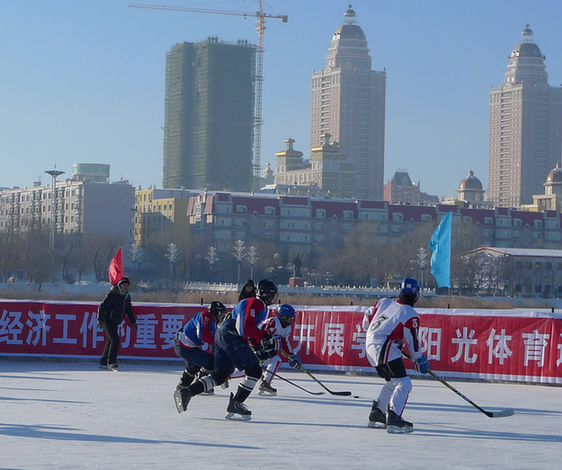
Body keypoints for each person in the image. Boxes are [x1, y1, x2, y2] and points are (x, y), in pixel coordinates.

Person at [174, 279, 280, 420]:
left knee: (220, 376)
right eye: (272, 294)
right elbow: (245, 328)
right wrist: (263, 337)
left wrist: (259, 345)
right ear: (265, 294)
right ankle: (236, 403)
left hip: (222, 335)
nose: (273, 298)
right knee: (254, 371)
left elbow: (247, 329)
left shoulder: (256, 304)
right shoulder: (256, 303)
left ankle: (188, 391)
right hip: (230, 335)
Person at [364, 277, 429, 433]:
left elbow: (367, 319)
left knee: (394, 382)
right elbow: (412, 342)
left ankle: (377, 412)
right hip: (384, 349)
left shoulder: (384, 302)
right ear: (416, 295)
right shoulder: (410, 313)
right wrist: (418, 358)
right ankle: (393, 416)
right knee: (405, 383)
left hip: (370, 346)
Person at [173, 301, 227, 394]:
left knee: (194, 366)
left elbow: (212, 342)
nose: (222, 316)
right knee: (212, 363)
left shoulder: (212, 321)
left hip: (185, 345)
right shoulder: (207, 316)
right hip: (184, 346)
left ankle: (182, 387)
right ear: (216, 312)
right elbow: (204, 335)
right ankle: (201, 385)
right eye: (221, 313)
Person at [258, 304, 301, 396]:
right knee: (249, 369)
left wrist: (291, 356)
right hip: (257, 347)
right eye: (289, 318)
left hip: (268, 350)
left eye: (292, 318)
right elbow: (262, 333)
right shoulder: (273, 321)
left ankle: (266, 383)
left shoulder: (287, 328)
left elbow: (285, 343)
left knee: (277, 360)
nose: (290, 320)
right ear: (283, 316)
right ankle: (226, 376)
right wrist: (270, 341)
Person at [97, 277, 138, 371]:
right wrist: (99, 320)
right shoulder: (112, 295)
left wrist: (133, 322)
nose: (125, 287)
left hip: (115, 322)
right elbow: (102, 307)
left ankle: (103, 361)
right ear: (119, 286)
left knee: (110, 340)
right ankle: (111, 362)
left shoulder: (127, 297)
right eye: (123, 285)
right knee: (115, 339)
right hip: (107, 321)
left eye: (127, 285)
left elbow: (129, 310)